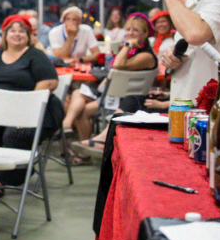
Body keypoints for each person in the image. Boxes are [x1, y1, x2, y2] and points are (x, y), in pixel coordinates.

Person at [0, 15, 60, 201]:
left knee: (14, 134)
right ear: (5, 35)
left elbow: (50, 82)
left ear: (29, 35)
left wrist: (25, 109)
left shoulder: (35, 56)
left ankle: (2, 180)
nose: (17, 35)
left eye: (22, 31)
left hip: (31, 113)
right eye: (12, 31)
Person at [63, 13, 157, 161]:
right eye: (128, 29)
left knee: (80, 103)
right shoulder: (133, 52)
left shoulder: (146, 56)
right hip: (115, 95)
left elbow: (117, 64)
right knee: (79, 100)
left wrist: (126, 45)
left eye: (135, 30)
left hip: (128, 100)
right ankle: (83, 144)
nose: (130, 33)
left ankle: (84, 144)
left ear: (145, 34)